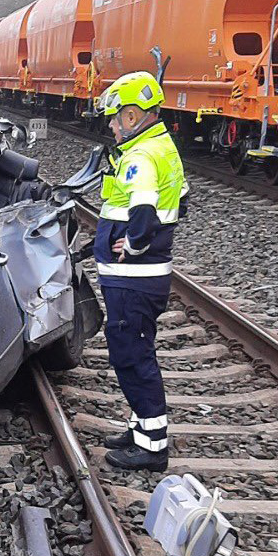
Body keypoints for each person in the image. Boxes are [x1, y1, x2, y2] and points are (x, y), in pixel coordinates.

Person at [93, 71, 187, 472]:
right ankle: (141, 427)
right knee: (135, 349)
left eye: (115, 117)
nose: (112, 125)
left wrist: (132, 245)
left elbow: (144, 215)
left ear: (132, 116)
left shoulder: (140, 158)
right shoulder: (163, 146)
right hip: (144, 278)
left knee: (131, 354)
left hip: (134, 279)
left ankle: (151, 445)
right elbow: (181, 203)